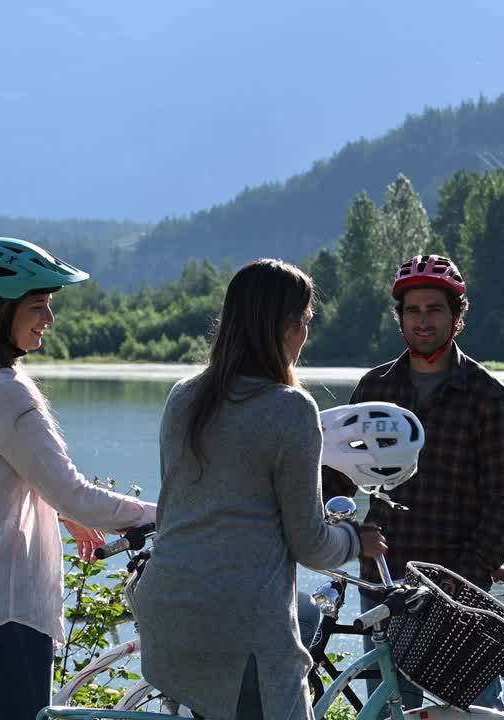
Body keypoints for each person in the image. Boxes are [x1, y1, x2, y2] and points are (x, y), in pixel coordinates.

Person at [0, 237, 158, 720]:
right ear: (2, 310)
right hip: (5, 614)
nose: (50, 319)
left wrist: (61, 511)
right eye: (38, 306)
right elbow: (77, 492)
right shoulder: (4, 391)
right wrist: (167, 514)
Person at [130, 258, 387, 720]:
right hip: (238, 620)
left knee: (302, 617)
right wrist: (355, 540)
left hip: (166, 611)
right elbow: (310, 544)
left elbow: (175, 510)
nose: (305, 336)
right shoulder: (289, 409)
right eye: (305, 322)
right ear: (286, 328)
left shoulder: (184, 396)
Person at [322, 254, 504, 712]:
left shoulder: (488, 396)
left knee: (469, 713)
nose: (423, 320)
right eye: (412, 310)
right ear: (400, 318)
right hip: (382, 583)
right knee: (387, 709)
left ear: (457, 317)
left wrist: (466, 577)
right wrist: (329, 531)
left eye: (434, 309)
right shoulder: (375, 388)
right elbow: (335, 477)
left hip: (455, 593)